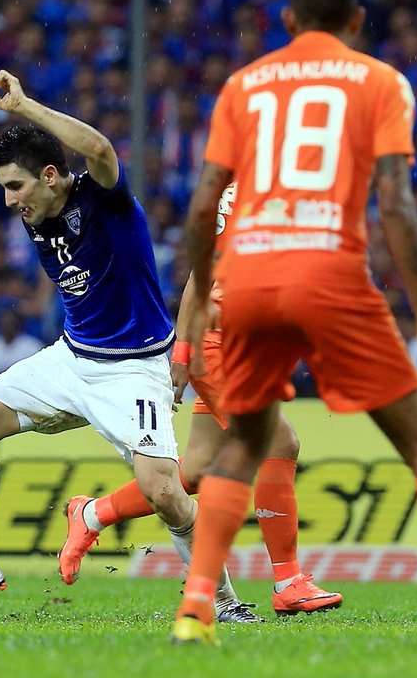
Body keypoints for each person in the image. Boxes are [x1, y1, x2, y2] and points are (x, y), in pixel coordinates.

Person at [170, 0, 417, 650]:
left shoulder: (242, 86)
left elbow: (200, 211)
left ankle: (195, 612)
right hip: (329, 274)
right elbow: (396, 204)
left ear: (288, 18)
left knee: (243, 445)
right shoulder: (380, 81)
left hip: (246, 280)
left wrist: (196, 317)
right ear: (356, 19)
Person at [0, 70, 197, 619]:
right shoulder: (36, 210)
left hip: (134, 367)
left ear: (50, 176)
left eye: (16, 186)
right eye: (4, 189)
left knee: (164, 493)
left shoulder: (105, 200)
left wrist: (24, 106)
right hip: (71, 358)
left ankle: (219, 599)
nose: (10, 200)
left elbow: (101, 149)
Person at [60, 188, 342, 620]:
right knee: (278, 442)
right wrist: (184, 353)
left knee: (198, 468)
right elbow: (202, 276)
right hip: (218, 345)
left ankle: (92, 513)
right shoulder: (242, 192)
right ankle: (288, 582)